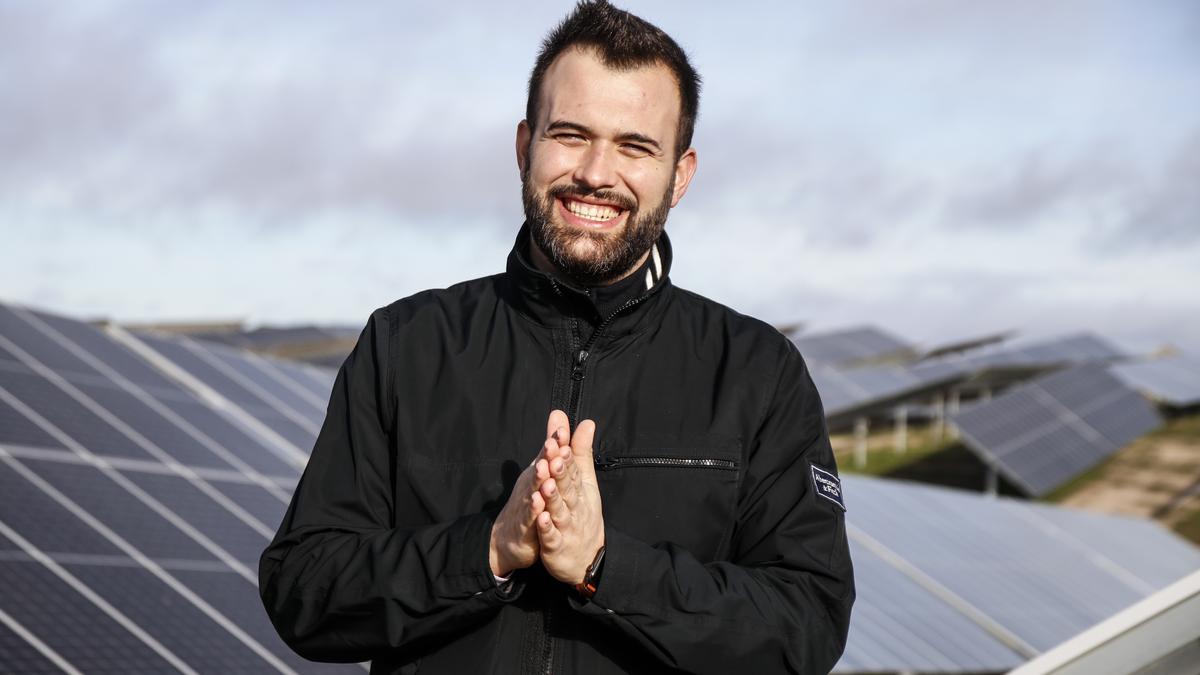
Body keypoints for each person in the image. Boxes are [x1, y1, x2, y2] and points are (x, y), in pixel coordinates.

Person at [259, 2, 855, 673]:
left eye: (635, 146)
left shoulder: (756, 372)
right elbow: (303, 586)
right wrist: (486, 550)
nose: (596, 173)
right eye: (570, 134)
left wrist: (606, 566)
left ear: (680, 175)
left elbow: (807, 621)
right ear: (524, 146)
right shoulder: (408, 344)